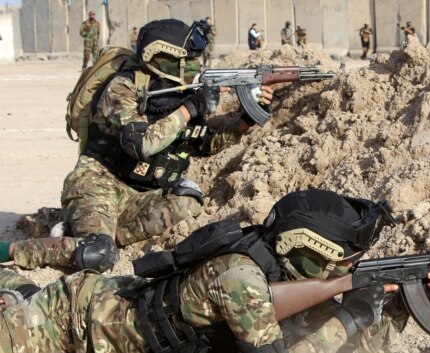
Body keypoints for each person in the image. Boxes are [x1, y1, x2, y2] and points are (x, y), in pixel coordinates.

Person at [0, 189, 430, 353]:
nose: (350, 267)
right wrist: (350, 313)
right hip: (76, 317)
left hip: (105, 304)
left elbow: (353, 351)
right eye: (343, 261)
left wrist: (406, 303)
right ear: (309, 253)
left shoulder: (286, 280)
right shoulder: (241, 279)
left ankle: (12, 289)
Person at [0, 19, 273, 273]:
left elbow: (202, 142)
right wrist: (189, 109)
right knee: (98, 254)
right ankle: (11, 249)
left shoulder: (177, 91)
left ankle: (89, 228)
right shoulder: (122, 88)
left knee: (189, 200)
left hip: (137, 193)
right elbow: (141, 143)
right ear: (163, 59)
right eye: (186, 59)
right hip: (98, 182)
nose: (193, 64)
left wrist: (245, 121)